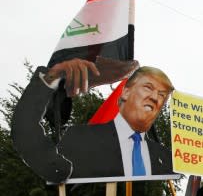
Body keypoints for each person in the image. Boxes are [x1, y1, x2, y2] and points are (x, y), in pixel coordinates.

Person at [12, 58, 175, 183]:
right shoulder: (81, 138)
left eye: (162, 95)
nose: (155, 98)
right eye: (148, 88)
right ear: (125, 92)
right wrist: (50, 78)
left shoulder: (166, 160)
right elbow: (29, 139)